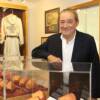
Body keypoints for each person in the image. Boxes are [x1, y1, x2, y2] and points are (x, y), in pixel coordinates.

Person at [32, 9, 100, 99]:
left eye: (70, 22)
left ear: (76, 23)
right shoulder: (52, 40)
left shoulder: (88, 40)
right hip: (57, 89)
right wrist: (49, 56)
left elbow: (96, 69)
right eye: (62, 22)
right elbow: (35, 51)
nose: (65, 26)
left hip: (81, 91)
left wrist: (94, 95)